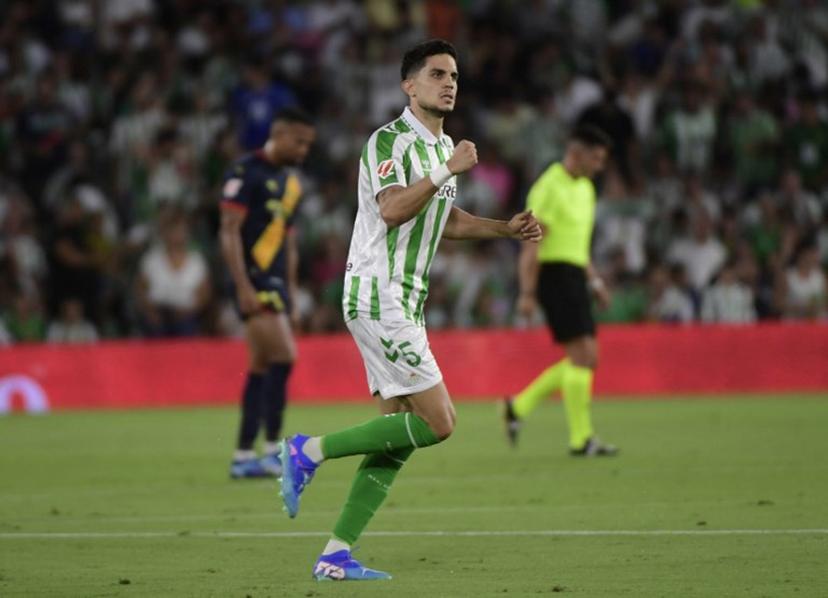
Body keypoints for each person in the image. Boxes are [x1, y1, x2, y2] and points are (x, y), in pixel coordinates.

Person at [277, 39, 542, 581]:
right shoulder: (390, 142)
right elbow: (394, 209)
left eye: (455, 76)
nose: (449, 83)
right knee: (440, 422)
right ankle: (307, 450)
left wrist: (503, 229)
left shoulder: (436, 148)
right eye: (438, 74)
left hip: (403, 299)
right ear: (409, 85)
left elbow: (446, 219)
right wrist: (447, 170)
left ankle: (335, 554)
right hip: (378, 292)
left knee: (399, 434)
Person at [504, 125, 619, 457]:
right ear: (576, 153)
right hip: (552, 275)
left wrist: (594, 281)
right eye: (595, 158)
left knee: (585, 357)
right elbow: (531, 245)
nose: (600, 166)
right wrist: (526, 293)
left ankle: (518, 407)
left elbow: (578, 245)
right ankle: (581, 439)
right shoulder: (548, 187)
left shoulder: (585, 188)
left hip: (574, 274)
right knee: (584, 357)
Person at [219, 107, 316, 479]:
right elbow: (228, 231)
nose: (304, 149)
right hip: (252, 280)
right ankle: (275, 450)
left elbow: (289, 243)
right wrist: (242, 286)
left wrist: (292, 296)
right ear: (279, 134)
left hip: (276, 284)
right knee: (285, 356)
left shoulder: (291, 183)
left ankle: (244, 455)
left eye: (309, 143)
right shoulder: (245, 172)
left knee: (260, 367)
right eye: (299, 141)